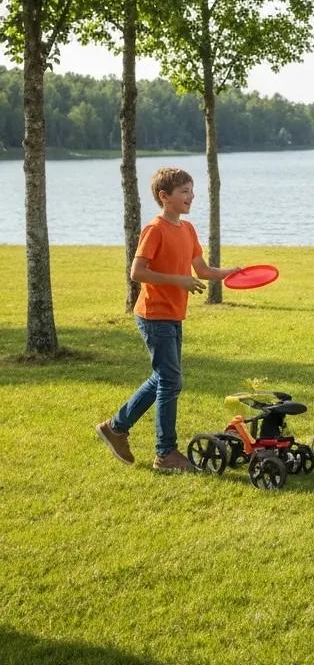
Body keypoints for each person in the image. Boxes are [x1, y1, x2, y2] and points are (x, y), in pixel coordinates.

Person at [95, 167, 238, 472]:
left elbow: (202, 270)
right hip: (153, 315)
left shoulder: (187, 230)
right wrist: (178, 280)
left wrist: (232, 273)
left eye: (192, 190)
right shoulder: (155, 229)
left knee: (163, 377)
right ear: (165, 197)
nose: (191, 196)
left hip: (173, 315)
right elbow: (138, 272)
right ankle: (165, 453)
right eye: (184, 191)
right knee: (171, 380)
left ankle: (116, 427)